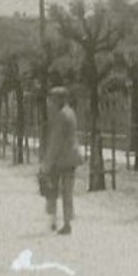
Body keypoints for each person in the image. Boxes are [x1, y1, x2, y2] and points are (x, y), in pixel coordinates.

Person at [39, 86, 81, 235]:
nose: (50, 103)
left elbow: (55, 142)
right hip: (72, 157)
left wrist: (47, 164)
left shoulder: (60, 116)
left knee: (52, 190)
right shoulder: (71, 112)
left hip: (61, 159)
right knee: (68, 191)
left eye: (52, 99)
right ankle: (67, 222)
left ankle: (53, 222)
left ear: (58, 100)